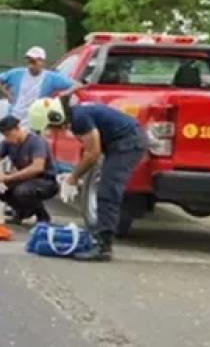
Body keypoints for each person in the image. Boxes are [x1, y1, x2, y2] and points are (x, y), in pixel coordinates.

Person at [39, 97, 147, 262]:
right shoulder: (77, 115)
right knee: (106, 187)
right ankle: (100, 238)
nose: (53, 130)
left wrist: (73, 178)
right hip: (120, 141)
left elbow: (93, 153)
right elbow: (90, 153)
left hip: (127, 143)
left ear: (56, 117)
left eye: (50, 125)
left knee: (108, 190)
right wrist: (74, 174)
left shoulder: (79, 118)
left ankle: (103, 247)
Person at [0, 116, 59, 224]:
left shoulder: (36, 142)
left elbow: (37, 167)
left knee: (22, 191)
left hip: (44, 181)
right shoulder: (7, 143)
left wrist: (8, 178)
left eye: (9, 134)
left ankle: (41, 215)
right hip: (23, 179)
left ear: (18, 128)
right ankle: (20, 210)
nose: (8, 138)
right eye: (5, 136)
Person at [0, 46, 77, 128]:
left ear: (42, 62)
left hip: (36, 120)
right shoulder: (17, 73)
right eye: (29, 61)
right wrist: (6, 94)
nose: (32, 64)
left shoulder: (51, 77)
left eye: (35, 61)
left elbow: (75, 84)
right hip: (14, 117)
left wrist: (66, 93)